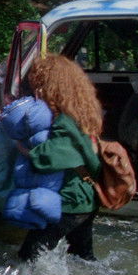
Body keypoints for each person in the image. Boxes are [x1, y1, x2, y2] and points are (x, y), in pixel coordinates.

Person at [16, 54, 103, 262]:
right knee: (82, 258)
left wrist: (23, 149)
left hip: (70, 201)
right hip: (87, 197)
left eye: (38, 86)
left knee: (28, 256)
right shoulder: (84, 113)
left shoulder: (64, 121)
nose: (35, 93)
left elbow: (51, 159)